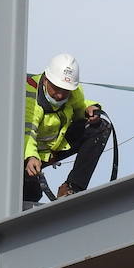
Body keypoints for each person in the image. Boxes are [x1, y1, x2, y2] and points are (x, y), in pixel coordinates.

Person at [23, 53, 110, 204]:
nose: (59, 95)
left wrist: (92, 108)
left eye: (65, 90)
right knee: (31, 195)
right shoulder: (29, 95)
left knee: (99, 128)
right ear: (46, 80)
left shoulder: (73, 92)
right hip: (26, 154)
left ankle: (71, 188)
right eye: (56, 88)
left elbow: (79, 108)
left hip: (53, 149)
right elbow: (27, 133)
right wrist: (30, 157)